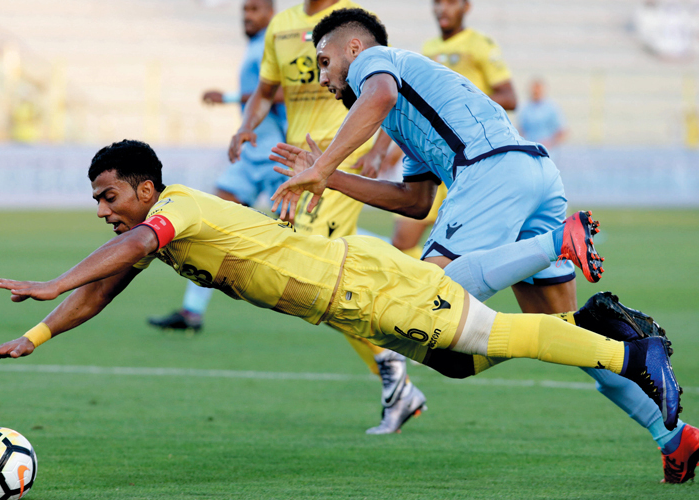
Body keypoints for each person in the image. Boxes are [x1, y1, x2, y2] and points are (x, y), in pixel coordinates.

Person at [0, 140, 682, 443]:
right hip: (352, 298)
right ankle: (595, 320)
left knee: (492, 337)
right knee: (466, 361)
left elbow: (128, 246)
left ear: (145, 189)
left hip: (364, 284)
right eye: (98, 200)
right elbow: (104, 290)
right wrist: (33, 336)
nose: (104, 209)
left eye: (108, 195)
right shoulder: (168, 232)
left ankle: (630, 354)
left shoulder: (177, 209)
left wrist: (50, 280)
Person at [268, 8, 698, 482]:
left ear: (354, 49)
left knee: (424, 301)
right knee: (574, 338)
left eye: (325, 61)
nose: (322, 76)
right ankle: (676, 438)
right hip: (532, 173)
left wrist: (323, 166)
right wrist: (332, 180)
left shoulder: (377, 63)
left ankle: (557, 241)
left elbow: (380, 94)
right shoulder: (401, 110)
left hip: (491, 172)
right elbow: (415, 200)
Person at [227, 0, 418, 435]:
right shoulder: (282, 26)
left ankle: (393, 360)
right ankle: (391, 359)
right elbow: (266, 89)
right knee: (322, 276)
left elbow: (384, 87)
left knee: (306, 268)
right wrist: (246, 124)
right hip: (298, 161)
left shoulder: (353, 24)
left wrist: (380, 147)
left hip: (336, 162)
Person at [147, 0, 288, 334]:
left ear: (271, 11)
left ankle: (393, 249)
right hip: (252, 152)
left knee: (307, 231)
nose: (247, 17)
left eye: (254, 10)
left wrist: (226, 98)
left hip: (276, 151)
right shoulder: (257, 46)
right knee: (208, 224)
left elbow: (282, 92)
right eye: (244, 11)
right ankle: (191, 312)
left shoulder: (277, 42)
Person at [391, 0, 518, 260]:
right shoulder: (429, 49)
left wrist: (460, 101)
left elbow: (510, 97)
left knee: (454, 251)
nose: (442, 9)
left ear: (466, 7)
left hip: (468, 160)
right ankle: (423, 290)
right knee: (402, 241)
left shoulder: (479, 45)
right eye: (437, 3)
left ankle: (444, 293)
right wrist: (396, 147)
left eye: (450, 3)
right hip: (432, 155)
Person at [517, 78, 567, 149]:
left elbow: (562, 131)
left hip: (549, 151)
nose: (536, 92)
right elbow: (520, 130)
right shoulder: (525, 108)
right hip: (530, 149)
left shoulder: (552, 108)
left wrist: (550, 143)